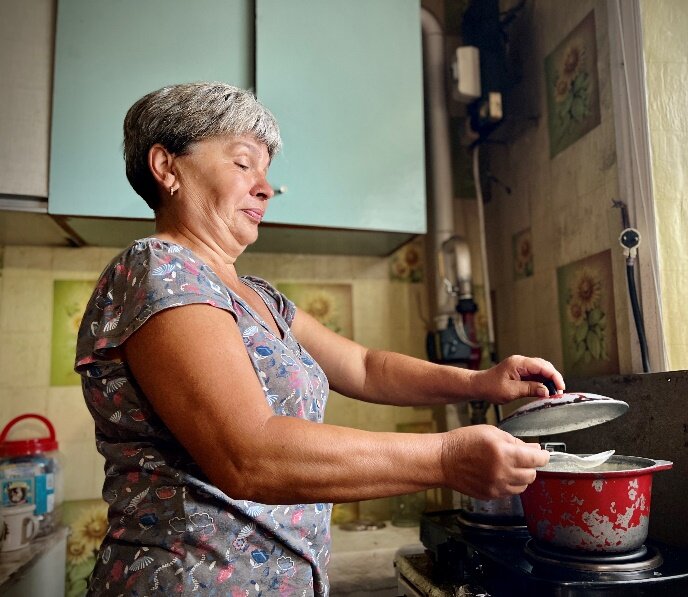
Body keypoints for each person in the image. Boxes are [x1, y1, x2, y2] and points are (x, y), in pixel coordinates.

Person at [75, 82, 565, 596]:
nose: (264, 187)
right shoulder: (160, 270)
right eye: (243, 164)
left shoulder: (259, 296)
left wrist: (479, 382)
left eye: (266, 171)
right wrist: (446, 460)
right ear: (166, 166)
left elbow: (365, 366)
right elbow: (249, 454)